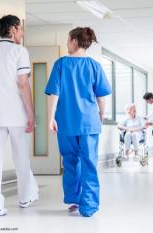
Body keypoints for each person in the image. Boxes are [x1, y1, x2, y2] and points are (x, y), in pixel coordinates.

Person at [45, 27, 111, 217]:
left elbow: (54, 94)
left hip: (66, 122)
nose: (66, 43)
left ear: (74, 41)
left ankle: (74, 199)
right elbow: (101, 97)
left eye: (68, 40)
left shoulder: (61, 64)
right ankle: (88, 206)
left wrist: (51, 119)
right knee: (89, 162)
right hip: (89, 123)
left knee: (70, 161)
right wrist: (101, 115)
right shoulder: (94, 66)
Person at [0, 15, 39, 219]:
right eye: (21, 29)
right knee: (21, 156)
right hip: (15, 113)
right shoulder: (19, 51)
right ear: (13, 29)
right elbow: (23, 84)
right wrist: (31, 114)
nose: (22, 33)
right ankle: (25, 196)